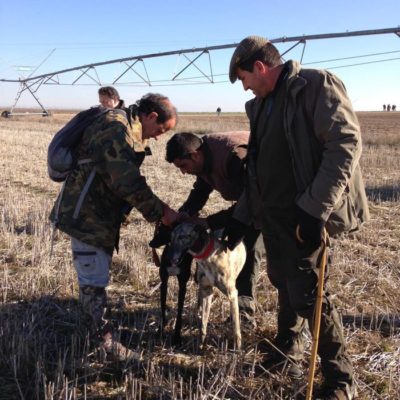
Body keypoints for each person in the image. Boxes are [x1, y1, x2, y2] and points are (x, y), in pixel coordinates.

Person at [227, 36, 369, 399]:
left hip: (303, 216)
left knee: (309, 295)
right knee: (282, 283)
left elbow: (346, 144)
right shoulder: (259, 107)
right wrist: (243, 216)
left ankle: (341, 380)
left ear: (260, 68)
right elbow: (258, 168)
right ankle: (286, 350)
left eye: (244, 77)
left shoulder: (314, 85)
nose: (244, 86)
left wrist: (314, 208)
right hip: (272, 217)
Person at [50, 93, 178, 361]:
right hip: (87, 218)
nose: (157, 136)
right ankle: (104, 347)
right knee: (93, 284)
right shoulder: (115, 127)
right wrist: (160, 212)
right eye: (160, 130)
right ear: (151, 116)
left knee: (95, 280)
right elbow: (126, 180)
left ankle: (93, 335)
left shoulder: (124, 127)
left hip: (97, 217)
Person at [163, 131, 264, 323]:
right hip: (249, 198)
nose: (183, 172)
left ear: (195, 155)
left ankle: (243, 309)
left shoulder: (234, 157)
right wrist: (184, 214)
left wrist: (208, 222)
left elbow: (251, 201)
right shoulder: (203, 156)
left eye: (183, 166)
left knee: (247, 248)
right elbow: (201, 189)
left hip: (265, 201)